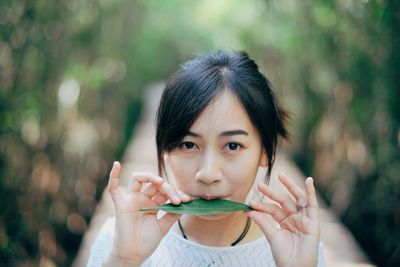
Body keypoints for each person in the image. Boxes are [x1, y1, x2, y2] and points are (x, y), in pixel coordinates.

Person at [87, 50, 325, 267]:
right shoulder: (118, 240)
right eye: (188, 144)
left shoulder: (299, 250)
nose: (208, 173)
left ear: (265, 152)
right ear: (166, 151)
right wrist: (124, 260)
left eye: (232, 146)